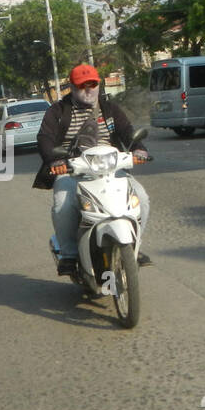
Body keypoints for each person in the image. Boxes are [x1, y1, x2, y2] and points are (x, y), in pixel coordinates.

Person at [35, 63, 152, 275]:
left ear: (99, 84)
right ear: (72, 87)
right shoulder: (58, 111)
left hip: (111, 169)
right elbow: (45, 138)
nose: (88, 90)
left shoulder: (110, 108)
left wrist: (139, 150)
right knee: (62, 203)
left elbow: (127, 131)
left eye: (92, 84)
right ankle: (69, 255)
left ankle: (134, 246)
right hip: (73, 170)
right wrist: (55, 161)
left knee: (141, 198)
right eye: (82, 86)